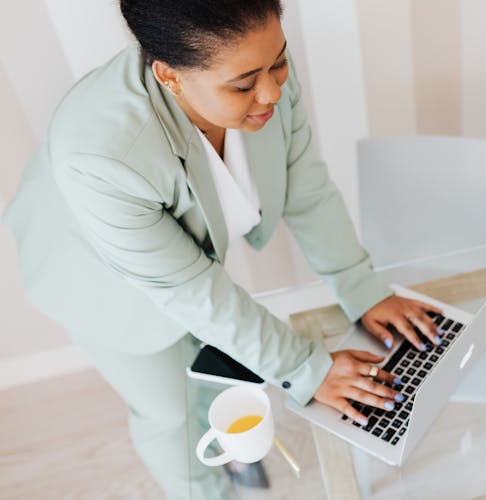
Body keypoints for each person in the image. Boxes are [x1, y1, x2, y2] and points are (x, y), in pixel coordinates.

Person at [2, 1, 446, 498]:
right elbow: (190, 288)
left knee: (220, 368)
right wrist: (307, 369)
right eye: (244, 84)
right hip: (94, 279)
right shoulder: (97, 153)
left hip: (181, 272)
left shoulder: (257, 67)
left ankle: (237, 452)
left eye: (279, 62)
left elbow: (304, 184)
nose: (274, 90)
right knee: (169, 412)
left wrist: (362, 288)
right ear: (170, 77)